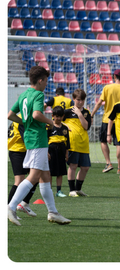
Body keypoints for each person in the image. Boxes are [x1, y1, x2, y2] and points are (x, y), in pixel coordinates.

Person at [7, 65, 71, 225]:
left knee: (45, 177)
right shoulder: (38, 94)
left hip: (32, 139)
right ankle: (11, 206)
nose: (46, 84)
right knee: (34, 176)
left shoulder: (24, 95)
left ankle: (53, 212)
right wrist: (51, 122)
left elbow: (10, 114)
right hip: (38, 139)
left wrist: (25, 122)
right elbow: (36, 114)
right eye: (46, 81)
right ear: (41, 80)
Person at [89, 68, 120, 173]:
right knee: (119, 143)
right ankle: (119, 168)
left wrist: (92, 115)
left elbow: (99, 103)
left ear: (114, 77)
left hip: (107, 119)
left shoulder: (107, 87)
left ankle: (108, 163)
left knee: (103, 141)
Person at [63, 89, 92, 197]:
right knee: (73, 165)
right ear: (74, 99)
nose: (80, 102)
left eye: (82, 100)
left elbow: (86, 126)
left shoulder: (86, 113)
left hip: (83, 143)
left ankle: (78, 189)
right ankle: (71, 190)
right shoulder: (67, 111)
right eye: (78, 100)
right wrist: (65, 126)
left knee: (85, 167)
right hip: (72, 143)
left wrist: (80, 114)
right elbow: (56, 121)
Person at [8, 119, 38, 214]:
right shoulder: (22, 119)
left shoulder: (20, 116)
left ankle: (24, 203)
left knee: (36, 176)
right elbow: (26, 138)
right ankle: (8, 208)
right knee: (19, 181)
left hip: (23, 151)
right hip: (18, 152)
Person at [47, 105, 71, 199]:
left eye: (60, 116)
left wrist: (66, 153)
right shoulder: (49, 127)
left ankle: (59, 190)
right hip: (51, 151)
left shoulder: (65, 128)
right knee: (50, 172)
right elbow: (45, 140)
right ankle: (49, 191)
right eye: (57, 116)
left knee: (60, 172)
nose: (58, 118)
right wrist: (47, 152)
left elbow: (67, 142)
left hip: (61, 151)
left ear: (63, 116)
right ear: (53, 115)